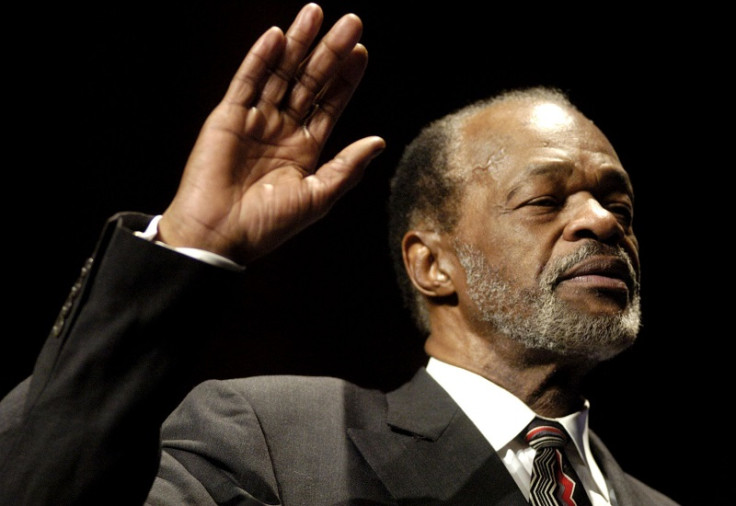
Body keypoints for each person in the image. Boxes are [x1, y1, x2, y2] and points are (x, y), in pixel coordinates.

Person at [0, 3, 680, 505]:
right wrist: (187, 246)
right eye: (544, 200)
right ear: (432, 266)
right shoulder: (278, 439)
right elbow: (45, 482)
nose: (600, 221)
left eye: (618, 205)